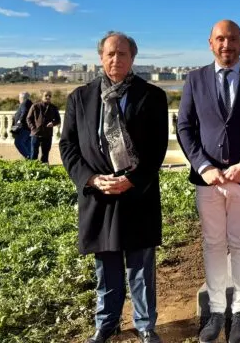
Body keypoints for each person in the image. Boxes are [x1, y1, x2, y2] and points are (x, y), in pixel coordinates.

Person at [59, 32, 168, 343]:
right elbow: (68, 147)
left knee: (140, 266)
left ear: (132, 58)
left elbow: (157, 148)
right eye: (110, 54)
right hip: (99, 195)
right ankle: (106, 324)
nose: (116, 59)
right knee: (105, 267)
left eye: (122, 54)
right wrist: (92, 180)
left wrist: (132, 179)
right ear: (100, 57)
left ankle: (146, 325)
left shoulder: (151, 96)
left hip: (137, 192)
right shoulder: (80, 98)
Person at [176, 19, 240, 343]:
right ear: (210, 43)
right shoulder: (194, 79)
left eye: (232, 39)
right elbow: (185, 127)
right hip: (207, 179)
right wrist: (203, 165)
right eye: (220, 39)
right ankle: (216, 310)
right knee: (213, 243)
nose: (226, 44)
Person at [27, 90, 62, 164]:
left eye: (49, 96)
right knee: (34, 154)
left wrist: (53, 123)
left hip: (47, 134)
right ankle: (33, 170)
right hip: (36, 134)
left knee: (45, 154)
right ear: (42, 96)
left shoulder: (53, 108)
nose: (48, 97)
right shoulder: (35, 106)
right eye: (46, 95)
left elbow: (58, 120)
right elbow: (28, 118)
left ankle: (44, 170)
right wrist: (33, 128)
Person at [13, 92, 33, 158]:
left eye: (19, 98)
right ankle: (32, 160)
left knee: (18, 143)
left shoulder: (24, 103)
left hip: (23, 128)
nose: (19, 99)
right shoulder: (30, 104)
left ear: (22, 98)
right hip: (29, 128)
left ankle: (29, 158)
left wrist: (19, 122)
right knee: (27, 144)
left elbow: (24, 112)